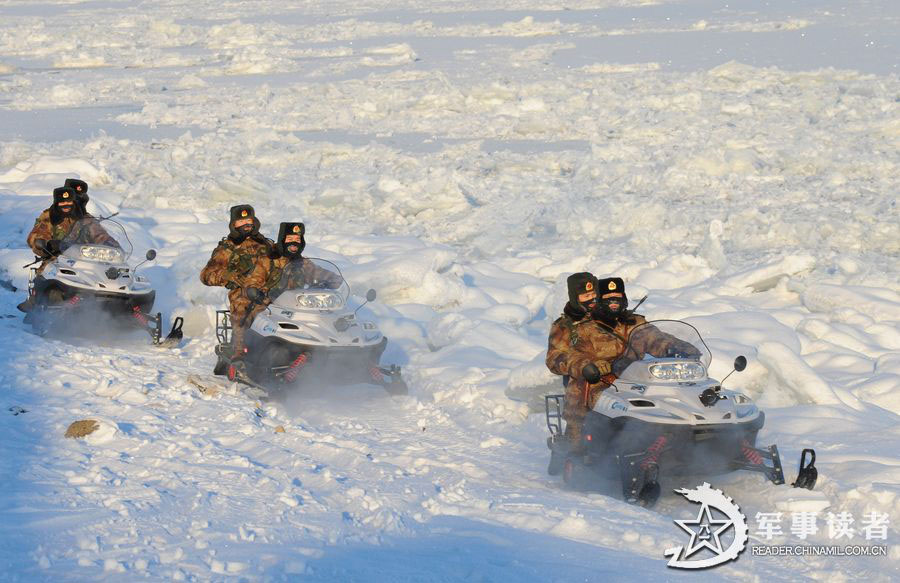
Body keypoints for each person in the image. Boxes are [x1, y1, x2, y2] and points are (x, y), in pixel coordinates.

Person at [546, 275, 697, 451]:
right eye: (607, 298)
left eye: (617, 297)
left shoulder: (631, 323)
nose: (613, 302)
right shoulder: (570, 325)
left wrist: (682, 349)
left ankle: (672, 440)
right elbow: (555, 357)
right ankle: (582, 453)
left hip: (633, 381)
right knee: (580, 450)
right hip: (592, 385)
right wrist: (585, 365)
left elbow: (656, 339)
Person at [241, 222, 345, 382]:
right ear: (282, 239)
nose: (294, 242)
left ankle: (337, 357)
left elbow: (321, 273)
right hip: (268, 305)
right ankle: (255, 364)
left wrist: (334, 280)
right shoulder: (267, 260)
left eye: (297, 238)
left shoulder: (304, 263)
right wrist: (257, 292)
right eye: (290, 238)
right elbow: (252, 282)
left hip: (297, 307)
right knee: (260, 321)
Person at [18, 186, 116, 312]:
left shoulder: (84, 217)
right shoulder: (49, 216)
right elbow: (35, 236)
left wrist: (112, 244)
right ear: (56, 202)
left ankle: (113, 304)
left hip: (85, 259)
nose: (66, 205)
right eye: (62, 202)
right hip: (56, 257)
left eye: (69, 201)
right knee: (45, 272)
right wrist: (48, 244)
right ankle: (38, 303)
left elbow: (99, 233)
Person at [200, 205, 274, 366]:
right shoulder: (227, 248)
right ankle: (239, 352)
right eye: (242, 221)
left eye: (249, 220)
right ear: (234, 225)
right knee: (242, 307)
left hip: (270, 291)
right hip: (244, 293)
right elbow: (206, 275)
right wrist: (227, 276)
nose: (247, 224)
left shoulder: (266, 244)